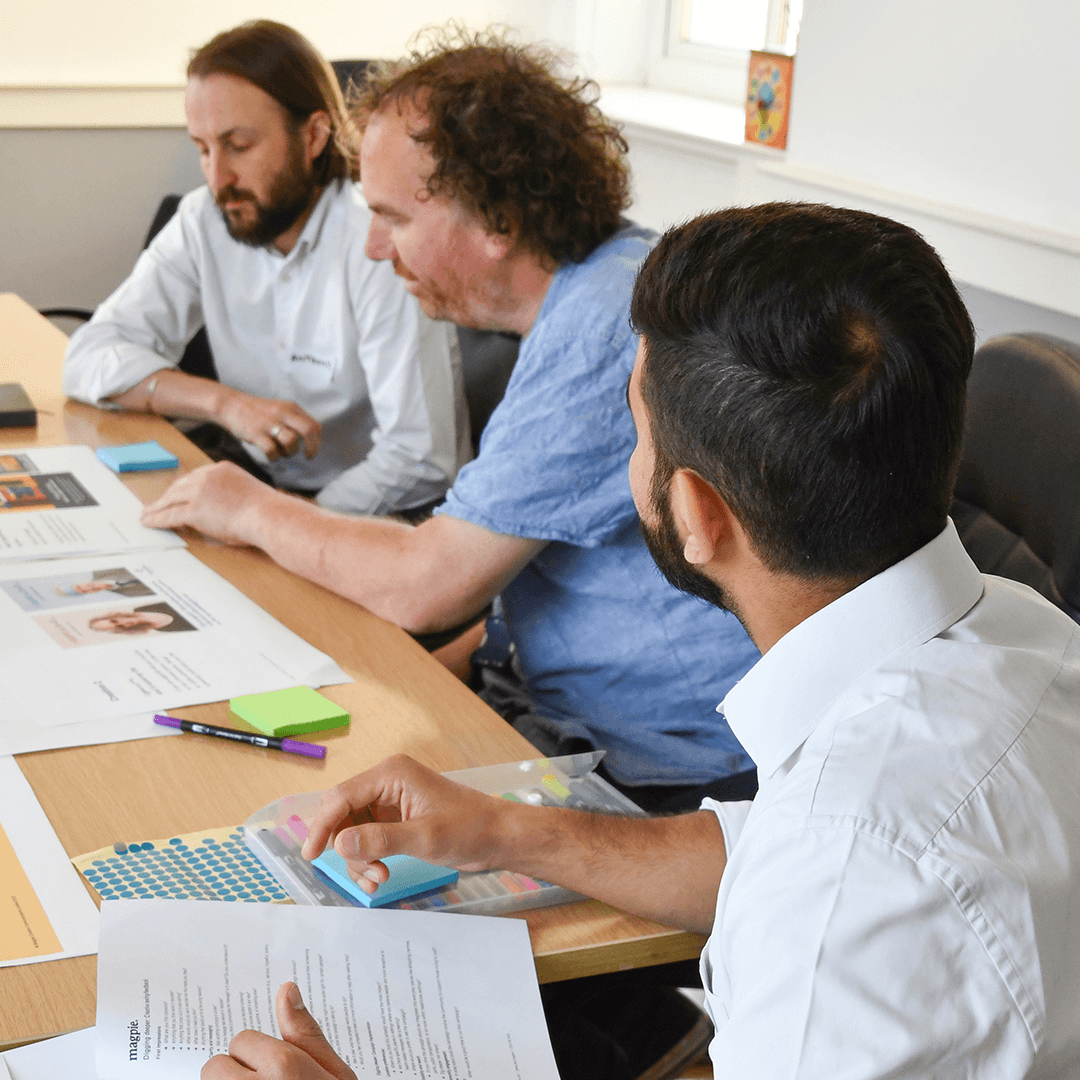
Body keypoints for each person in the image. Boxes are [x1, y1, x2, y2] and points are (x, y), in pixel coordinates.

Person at [202, 204, 1080, 1080]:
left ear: (698, 513)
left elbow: (830, 858)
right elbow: (766, 846)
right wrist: (505, 831)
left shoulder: (848, 877)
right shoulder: (1025, 632)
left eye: (636, 432)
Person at [141, 30, 761, 811]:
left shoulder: (605, 324)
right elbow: (552, 570)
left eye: (393, 217)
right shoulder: (599, 287)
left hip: (659, 774)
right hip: (559, 708)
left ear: (497, 219)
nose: (372, 247)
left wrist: (247, 504)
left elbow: (427, 585)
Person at [63, 20, 469, 517]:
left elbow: (422, 458)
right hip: (256, 486)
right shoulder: (203, 219)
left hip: (369, 510)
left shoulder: (379, 239)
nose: (219, 178)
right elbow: (88, 358)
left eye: (239, 146)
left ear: (314, 135)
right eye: (203, 149)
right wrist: (224, 404)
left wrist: (281, 522)